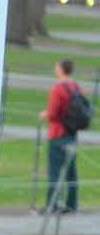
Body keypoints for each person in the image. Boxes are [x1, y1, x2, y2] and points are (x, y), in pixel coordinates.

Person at [41, 60, 85, 215]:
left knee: (54, 171)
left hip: (58, 134)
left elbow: (52, 113)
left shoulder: (58, 88)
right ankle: (71, 205)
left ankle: (52, 205)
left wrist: (44, 114)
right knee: (71, 172)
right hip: (71, 134)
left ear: (61, 69)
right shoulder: (77, 87)